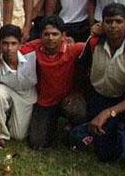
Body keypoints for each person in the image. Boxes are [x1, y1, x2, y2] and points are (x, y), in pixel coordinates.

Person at [76, 3, 125, 175]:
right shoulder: (94, 42)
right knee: (106, 155)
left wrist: (109, 112)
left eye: (118, 21)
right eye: (108, 21)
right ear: (101, 23)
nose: (113, 26)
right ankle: (94, 128)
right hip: (99, 97)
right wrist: (79, 94)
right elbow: (81, 69)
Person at [22, 16, 86, 150]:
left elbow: (94, 45)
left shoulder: (73, 49)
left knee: (78, 110)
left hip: (68, 99)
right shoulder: (34, 47)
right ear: (41, 36)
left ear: (63, 35)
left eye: (55, 34)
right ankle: (51, 124)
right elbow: (12, 50)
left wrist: (99, 31)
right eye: (46, 34)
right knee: (37, 143)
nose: (50, 38)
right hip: (44, 102)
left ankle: (72, 129)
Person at [0, 24, 37, 147]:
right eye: (5, 43)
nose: (9, 48)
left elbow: (49, 42)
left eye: (13, 43)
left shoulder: (32, 52)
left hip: (27, 95)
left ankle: (8, 117)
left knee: (18, 136)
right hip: (6, 91)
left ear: (20, 44)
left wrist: (67, 41)